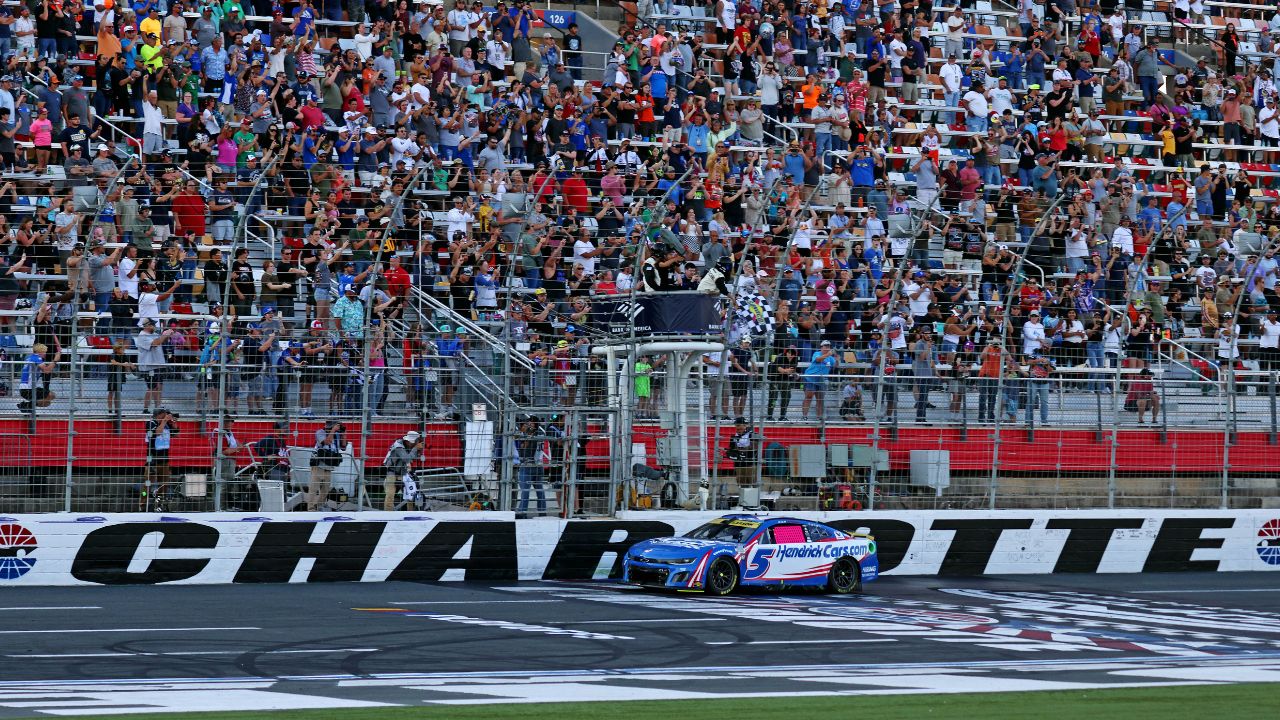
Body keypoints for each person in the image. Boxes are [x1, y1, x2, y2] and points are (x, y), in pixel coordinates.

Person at [143, 408, 179, 505]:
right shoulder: (151, 423)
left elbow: (176, 434)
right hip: (152, 460)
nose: (167, 416)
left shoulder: (167, 425)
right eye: (165, 414)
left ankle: (159, 503)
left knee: (163, 485)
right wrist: (164, 421)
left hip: (164, 460)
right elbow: (157, 433)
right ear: (159, 414)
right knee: (147, 485)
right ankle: (142, 504)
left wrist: (174, 423)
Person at [308, 420, 345, 511]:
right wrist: (333, 431)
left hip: (329, 465)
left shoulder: (336, 435)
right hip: (319, 464)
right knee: (314, 488)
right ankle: (311, 508)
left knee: (325, 489)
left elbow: (343, 447)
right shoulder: (320, 432)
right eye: (335, 426)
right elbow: (327, 442)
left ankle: (319, 506)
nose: (337, 429)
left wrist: (344, 433)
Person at [514, 414, 547, 516]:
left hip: (528, 465)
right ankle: (542, 512)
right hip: (538, 465)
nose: (528, 425)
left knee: (525, 491)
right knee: (540, 491)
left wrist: (525, 438)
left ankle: (522, 513)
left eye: (530, 423)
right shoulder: (541, 434)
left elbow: (525, 449)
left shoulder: (531, 436)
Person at [383, 430, 423, 511]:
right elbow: (406, 458)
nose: (414, 444)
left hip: (403, 473)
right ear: (408, 441)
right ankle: (387, 514)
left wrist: (417, 451)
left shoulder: (408, 446)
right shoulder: (398, 446)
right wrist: (415, 449)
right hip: (392, 473)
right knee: (390, 495)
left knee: (410, 494)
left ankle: (410, 513)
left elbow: (412, 459)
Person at [801, 340, 838, 419]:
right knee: (809, 397)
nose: (827, 348)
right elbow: (818, 359)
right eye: (825, 346)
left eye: (828, 347)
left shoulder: (830, 358)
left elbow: (835, 366)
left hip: (821, 380)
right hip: (810, 378)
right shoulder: (817, 353)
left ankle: (819, 417)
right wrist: (828, 354)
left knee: (820, 400)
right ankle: (804, 416)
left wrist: (837, 359)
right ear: (821, 347)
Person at [17, 342, 57, 411]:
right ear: (40, 352)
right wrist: (56, 359)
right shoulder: (37, 358)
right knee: (50, 396)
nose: (45, 354)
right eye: (44, 352)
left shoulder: (30, 357)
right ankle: (26, 406)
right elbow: (47, 370)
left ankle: (27, 406)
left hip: (27, 388)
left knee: (48, 401)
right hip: (28, 389)